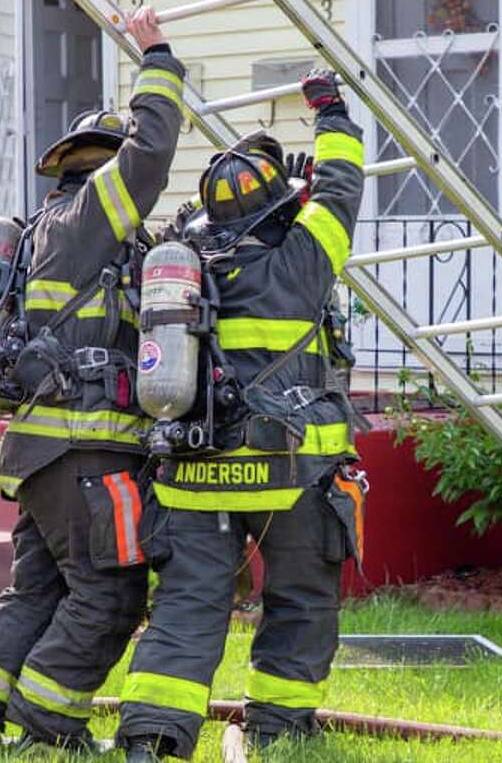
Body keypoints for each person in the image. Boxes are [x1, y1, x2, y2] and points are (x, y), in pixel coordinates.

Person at [0, 6, 185, 754]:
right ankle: (49, 726)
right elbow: (153, 150)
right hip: (91, 451)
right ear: (98, 167)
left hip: (39, 456)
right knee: (109, 593)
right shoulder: (91, 217)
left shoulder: (41, 237)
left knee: (37, 589)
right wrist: (157, 57)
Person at [115, 69, 366, 762]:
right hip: (291, 468)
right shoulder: (305, 258)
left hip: (192, 470)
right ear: (279, 208)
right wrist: (331, 111)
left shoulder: (183, 266)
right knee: (299, 598)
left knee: (188, 604)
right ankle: (279, 730)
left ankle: (153, 737)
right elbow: (342, 188)